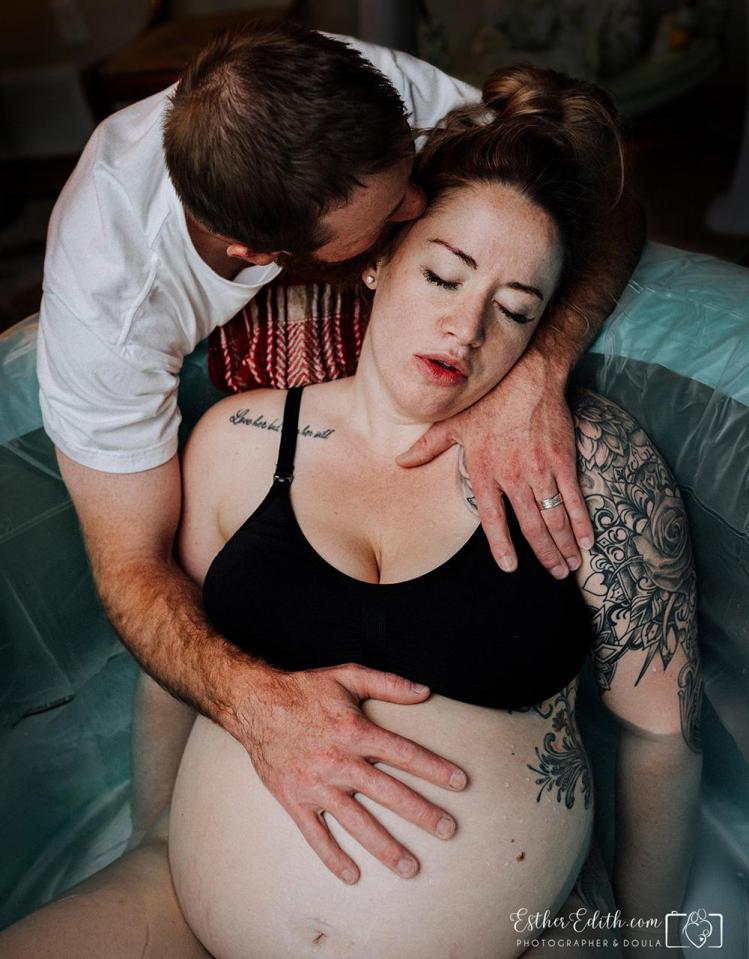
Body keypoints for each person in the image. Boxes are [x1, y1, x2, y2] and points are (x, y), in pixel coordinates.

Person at [4, 64, 700, 959]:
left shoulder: (592, 466)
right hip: (188, 916)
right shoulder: (239, 438)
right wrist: (157, 843)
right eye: (443, 277)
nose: (465, 329)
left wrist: (654, 940)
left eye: (515, 308)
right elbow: (167, 654)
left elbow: (660, 736)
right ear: (376, 256)